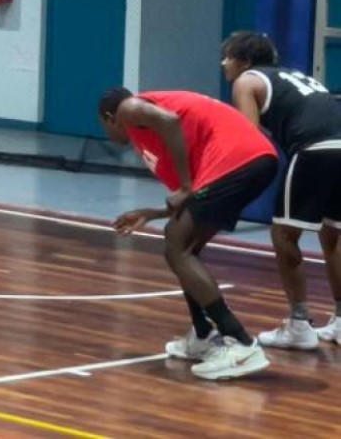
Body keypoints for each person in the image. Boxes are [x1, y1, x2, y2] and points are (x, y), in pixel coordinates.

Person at [98, 87, 278, 380]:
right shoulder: (152, 140)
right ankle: (203, 333)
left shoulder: (130, 108)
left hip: (239, 159)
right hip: (254, 160)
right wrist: (152, 213)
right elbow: (193, 200)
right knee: (182, 242)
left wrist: (183, 186)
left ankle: (241, 342)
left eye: (104, 126)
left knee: (176, 247)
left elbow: (169, 122)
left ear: (110, 118)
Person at [221, 30, 341, 350]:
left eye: (228, 56)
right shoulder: (296, 77)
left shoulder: (246, 82)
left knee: (284, 235)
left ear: (244, 61)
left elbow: (248, 137)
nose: (223, 63)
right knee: (333, 235)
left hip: (313, 150)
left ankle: (299, 325)